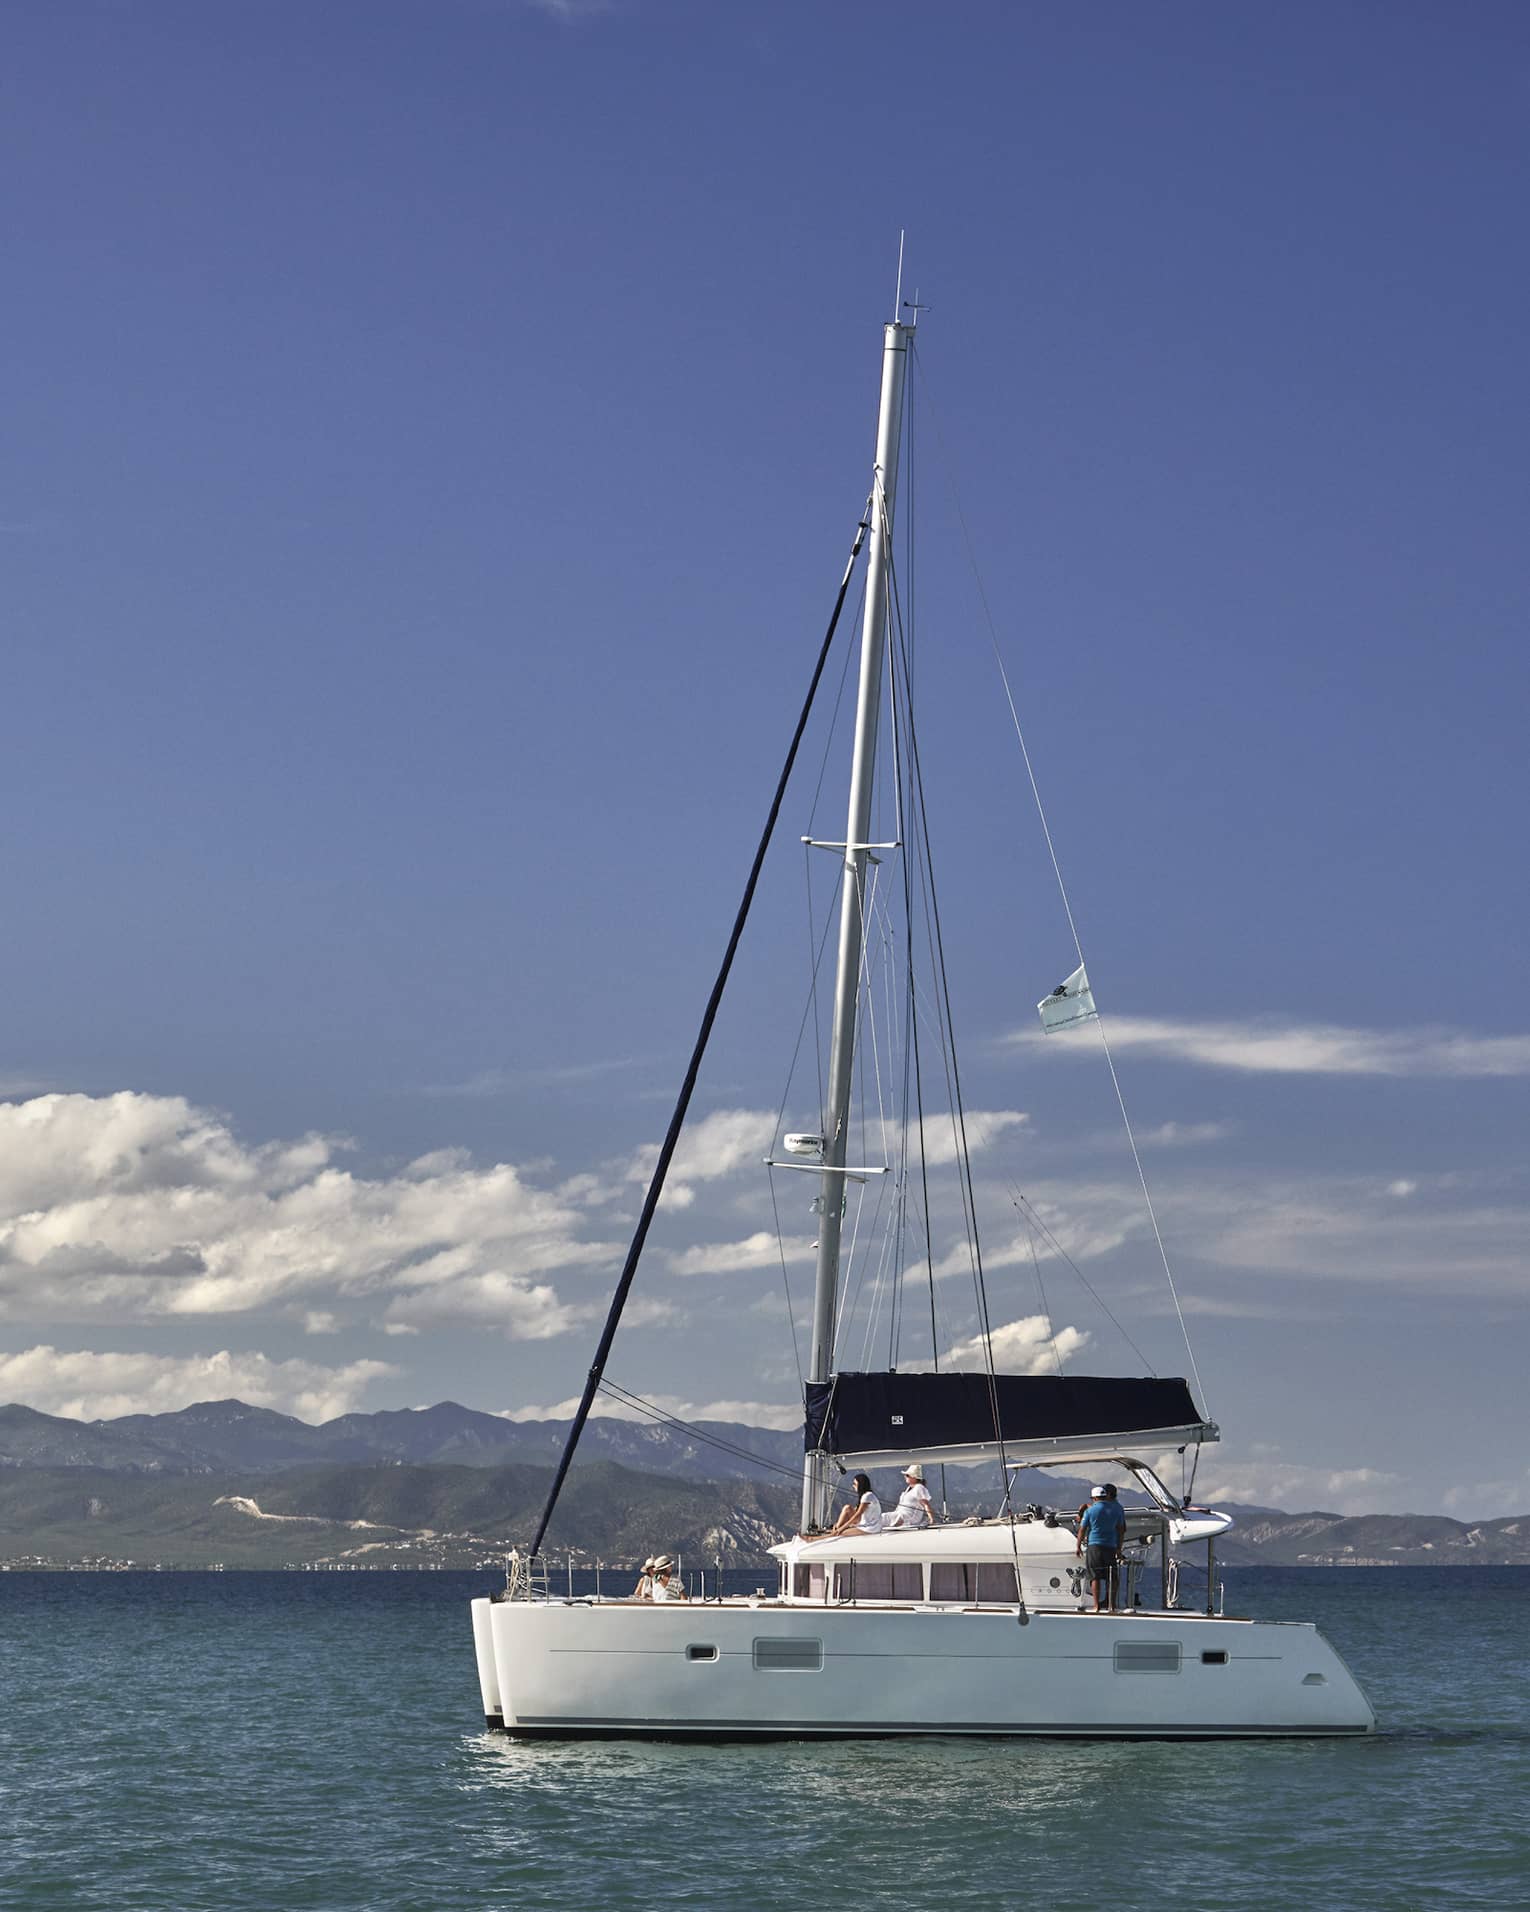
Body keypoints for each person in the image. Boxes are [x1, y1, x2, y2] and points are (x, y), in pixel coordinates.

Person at [1076, 1484, 1126, 1612]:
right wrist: (1119, 1548)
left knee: (1095, 1576)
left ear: (1094, 1498)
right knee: (1112, 1577)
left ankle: (1096, 1606)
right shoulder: (1117, 1509)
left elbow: (1082, 1529)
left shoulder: (1090, 1511)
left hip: (1094, 1546)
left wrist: (1078, 1546)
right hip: (1111, 1546)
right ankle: (1112, 1605)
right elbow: (1121, 1530)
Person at [885, 1462, 935, 1529]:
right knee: (884, 1516)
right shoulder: (908, 1489)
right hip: (900, 1514)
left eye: (907, 1475)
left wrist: (931, 1519)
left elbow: (926, 1504)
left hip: (909, 1517)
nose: (905, 1476)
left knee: (890, 1518)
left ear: (914, 1477)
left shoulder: (919, 1487)